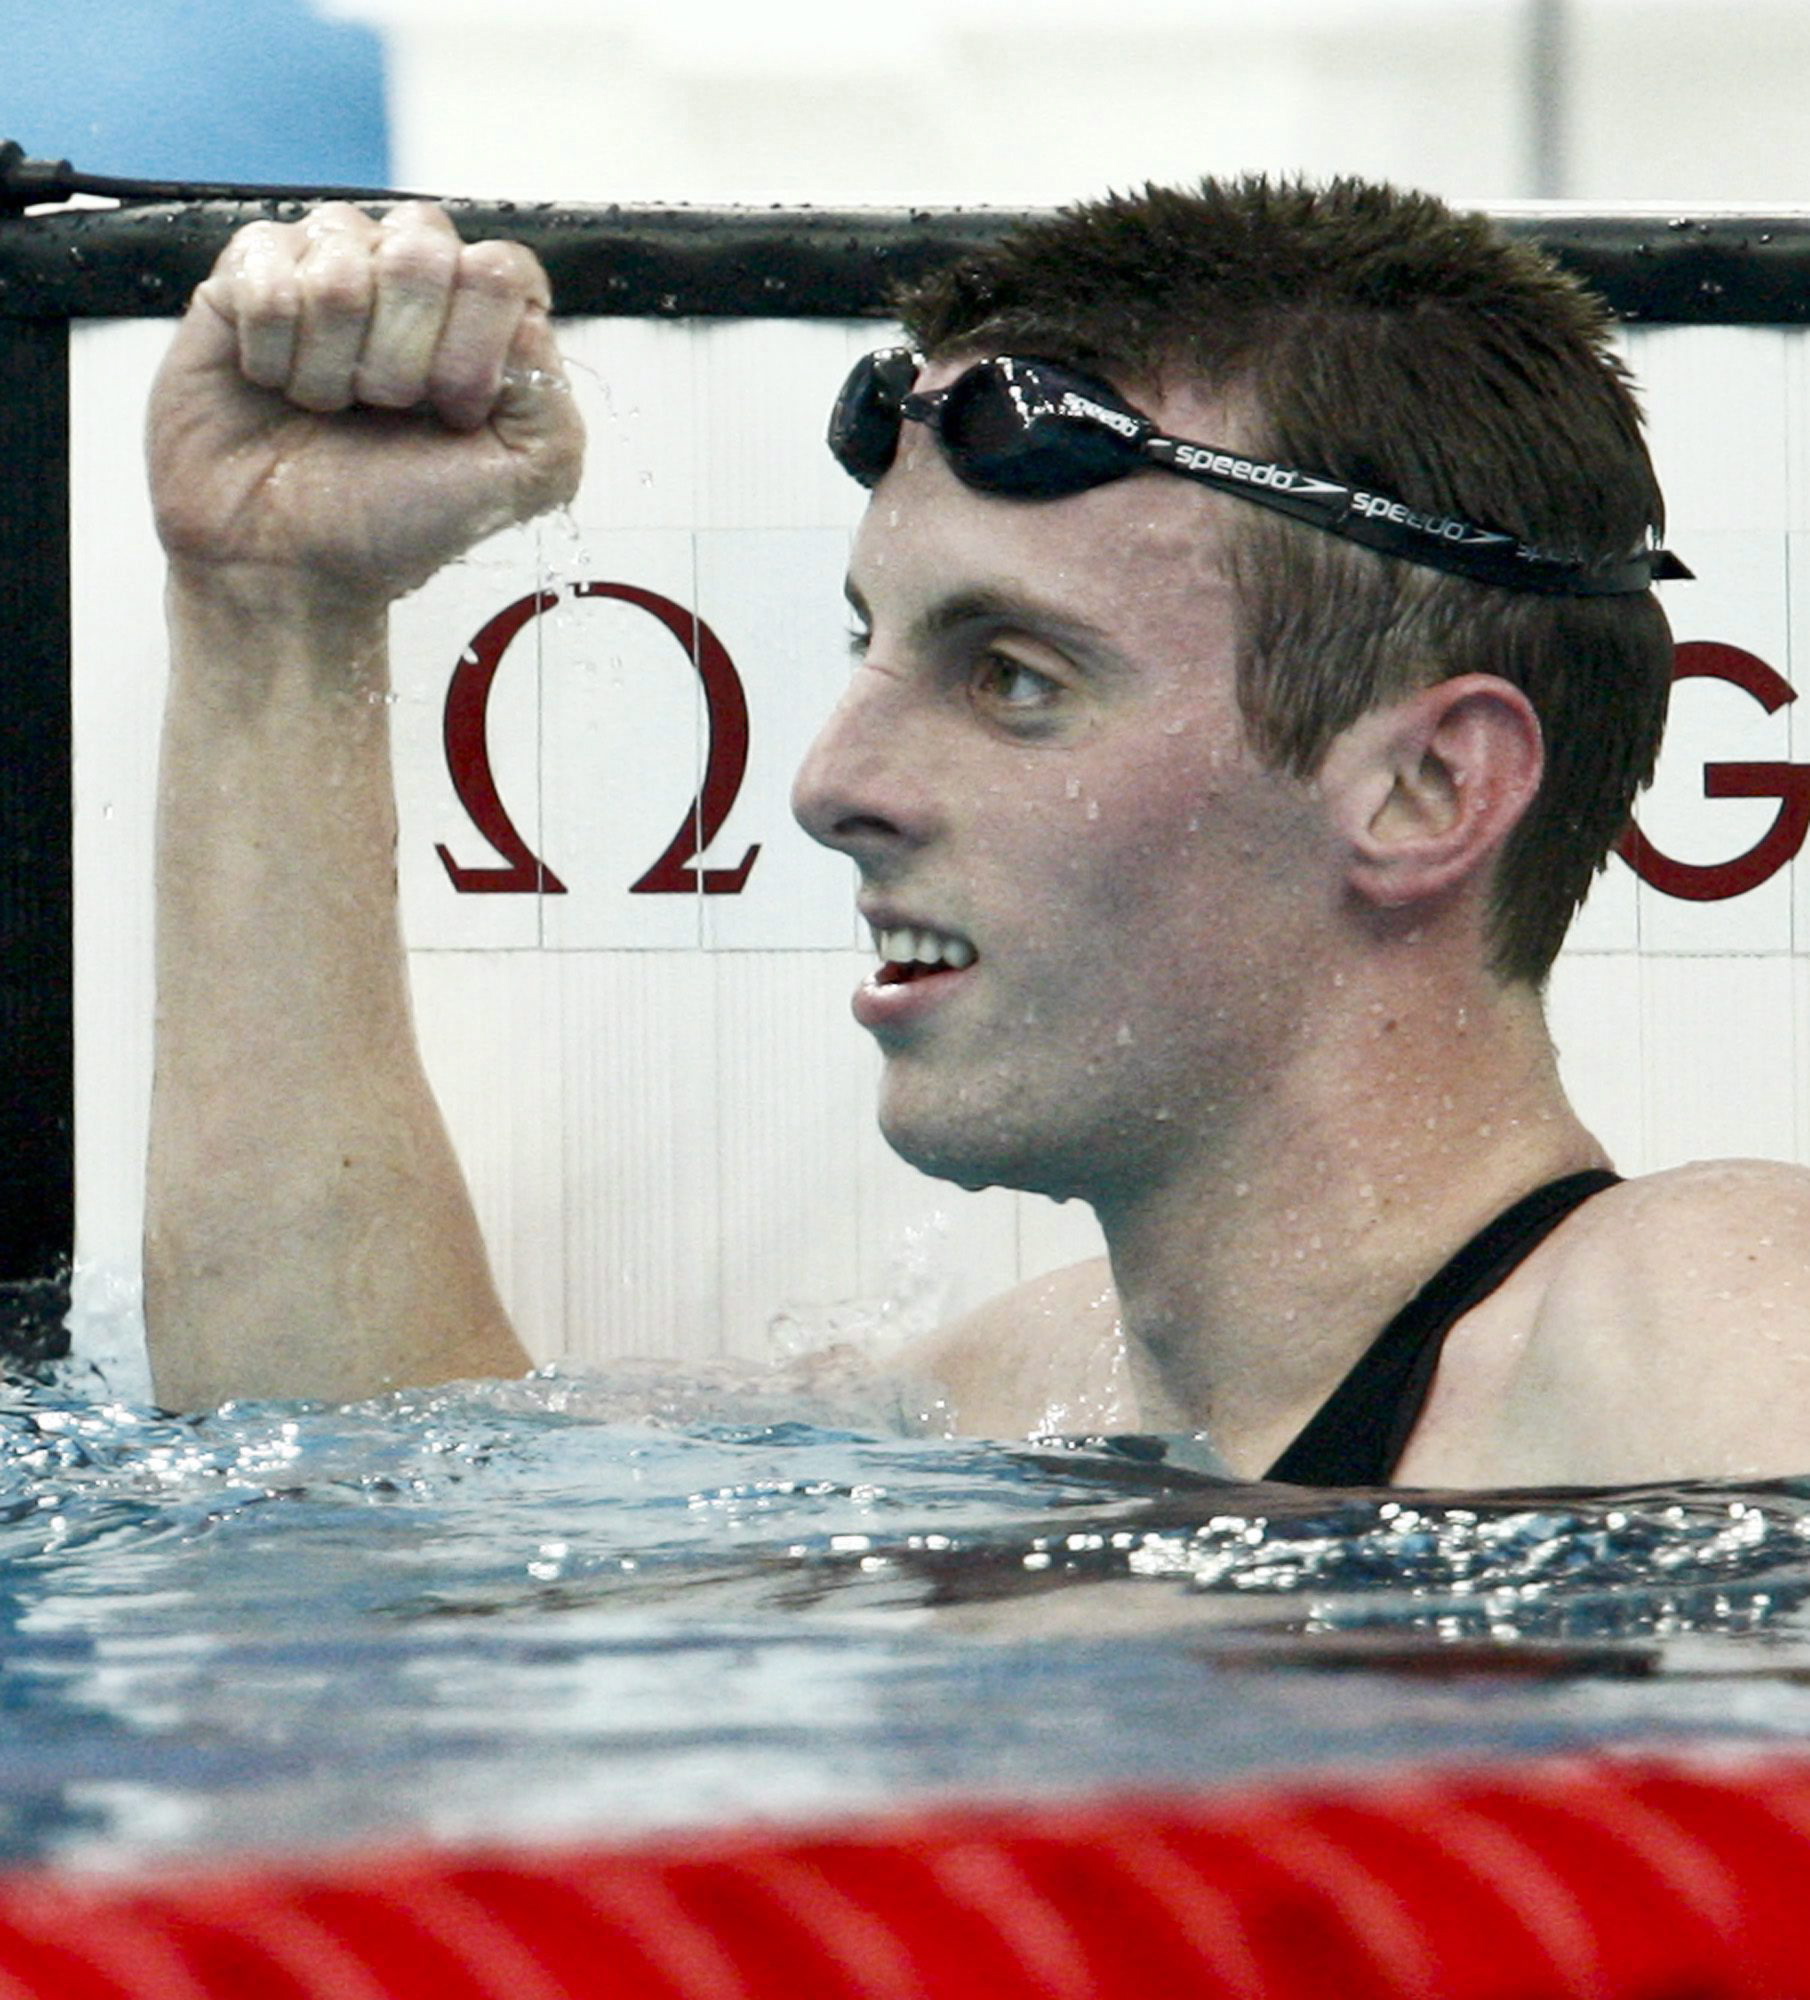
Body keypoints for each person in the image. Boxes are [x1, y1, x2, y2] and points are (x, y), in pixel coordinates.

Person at [143, 179, 1810, 1488]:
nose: (829, 783)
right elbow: (349, 1508)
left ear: (1424, 790)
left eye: (1014, 680)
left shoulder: (1705, 1326)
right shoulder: (1030, 1408)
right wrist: (272, 609)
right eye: (868, 642)